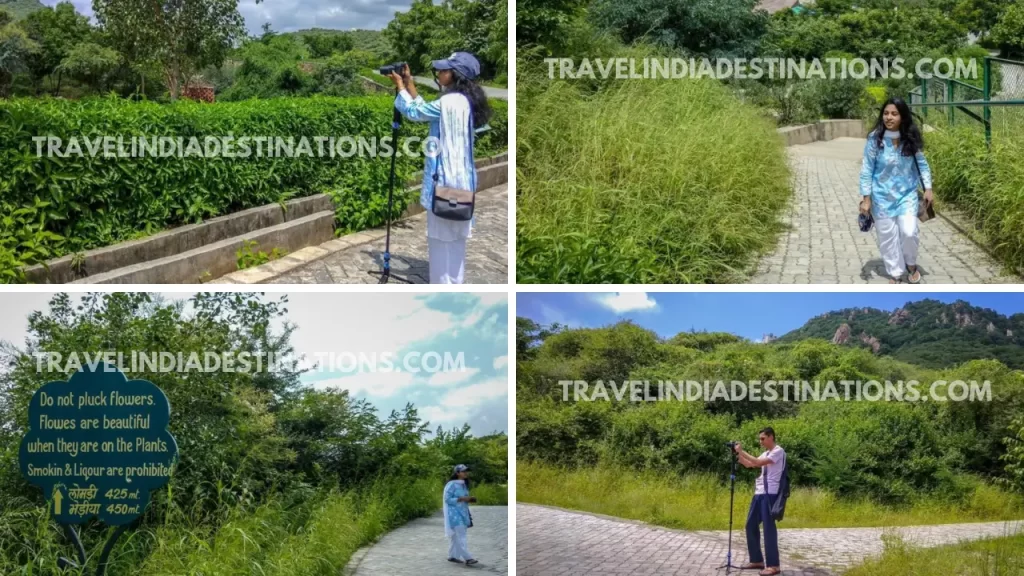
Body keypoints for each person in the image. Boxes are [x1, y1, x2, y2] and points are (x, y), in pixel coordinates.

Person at [389, 53, 493, 284]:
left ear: (456, 74)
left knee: (439, 240)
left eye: (443, 70)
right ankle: (455, 283)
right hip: (462, 183)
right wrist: (410, 85)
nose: (439, 74)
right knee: (456, 241)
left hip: (445, 183)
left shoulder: (449, 103)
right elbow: (428, 110)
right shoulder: (463, 101)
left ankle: (442, 285)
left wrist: (400, 88)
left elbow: (415, 113)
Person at [859, 97, 934, 284]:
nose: (889, 117)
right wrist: (866, 199)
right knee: (887, 237)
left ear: (902, 116)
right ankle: (895, 272)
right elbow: (867, 169)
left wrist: (928, 188)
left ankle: (910, 264)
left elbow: (922, 165)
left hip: (906, 195)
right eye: (886, 113)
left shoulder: (909, 137)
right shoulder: (875, 139)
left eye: (894, 114)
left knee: (909, 231)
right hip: (881, 197)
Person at [734, 427, 786, 576]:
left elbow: (758, 461)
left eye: (763, 438)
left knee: (769, 529)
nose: (760, 441)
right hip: (759, 493)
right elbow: (752, 464)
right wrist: (738, 456)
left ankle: (773, 565)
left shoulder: (778, 451)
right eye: (760, 439)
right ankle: (757, 560)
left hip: (770, 494)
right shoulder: (766, 453)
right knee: (750, 525)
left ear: (771, 437)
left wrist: (742, 451)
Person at [443, 463, 478, 565]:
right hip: (454, 513)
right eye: (463, 471)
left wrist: (469, 499)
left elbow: (464, 498)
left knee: (456, 536)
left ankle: (452, 556)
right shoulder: (451, 485)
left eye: (466, 471)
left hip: (463, 512)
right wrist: (462, 498)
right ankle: (468, 558)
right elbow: (447, 499)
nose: (466, 473)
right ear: (457, 473)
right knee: (461, 535)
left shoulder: (463, 484)